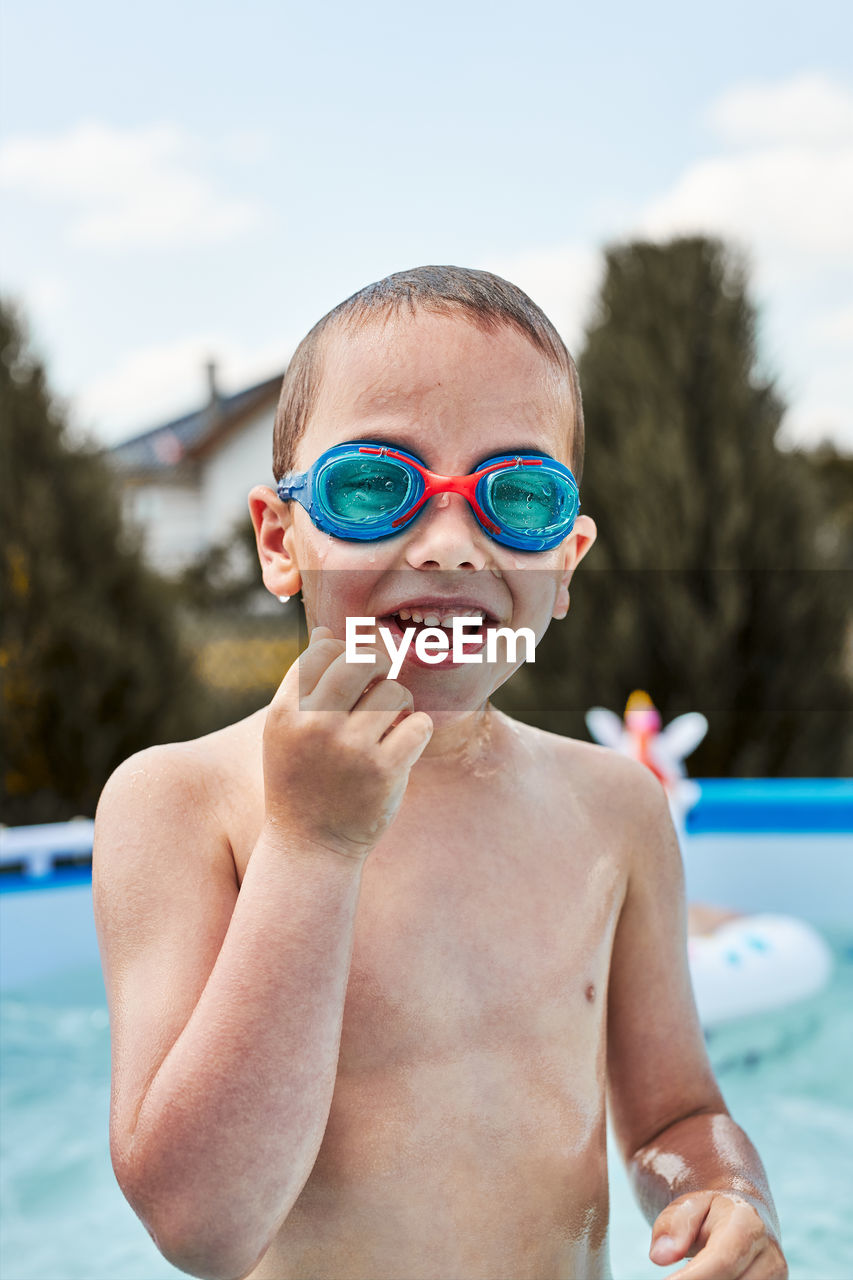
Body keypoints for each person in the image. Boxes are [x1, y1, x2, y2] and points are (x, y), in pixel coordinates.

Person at [92, 266, 787, 1280]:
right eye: (375, 486)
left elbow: (677, 1112)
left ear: (564, 567)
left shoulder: (614, 810)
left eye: (517, 495)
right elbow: (202, 1224)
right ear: (281, 540)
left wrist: (722, 1191)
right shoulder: (181, 802)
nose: (454, 544)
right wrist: (312, 844)